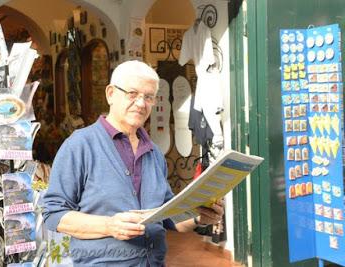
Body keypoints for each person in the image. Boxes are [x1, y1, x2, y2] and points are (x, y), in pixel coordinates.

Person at [42, 60, 224, 266]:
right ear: (110, 94)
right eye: (132, 94)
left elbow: (167, 217)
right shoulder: (80, 145)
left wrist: (199, 217)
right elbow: (54, 214)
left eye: (149, 97)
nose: (141, 103)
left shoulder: (154, 152)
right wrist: (109, 226)